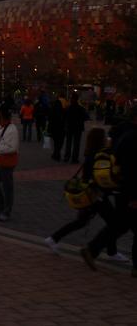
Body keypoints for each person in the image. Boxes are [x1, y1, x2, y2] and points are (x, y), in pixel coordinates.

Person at [44, 128, 128, 262]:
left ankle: (53, 238)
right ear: (100, 139)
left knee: (83, 222)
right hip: (97, 196)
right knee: (113, 224)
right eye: (104, 137)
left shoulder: (89, 154)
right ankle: (112, 253)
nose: (107, 139)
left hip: (90, 194)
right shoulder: (99, 156)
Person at [81, 107, 137, 277]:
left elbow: (117, 162)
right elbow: (134, 170)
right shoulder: (134, 138)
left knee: (120, 225)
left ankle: (92, 249)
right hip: (132, 191)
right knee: (123, 225)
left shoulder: (122, 134)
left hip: (120, 189)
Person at [64, 94, 89, 163]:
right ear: (77, 100)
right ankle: (74, 158)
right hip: (78, 127)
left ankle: (67, 157)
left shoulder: (68, 108)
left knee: (68, 142)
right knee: (76, 143)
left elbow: (64, 117)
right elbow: (86, 117)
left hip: (69, 127)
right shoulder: (81, 108)